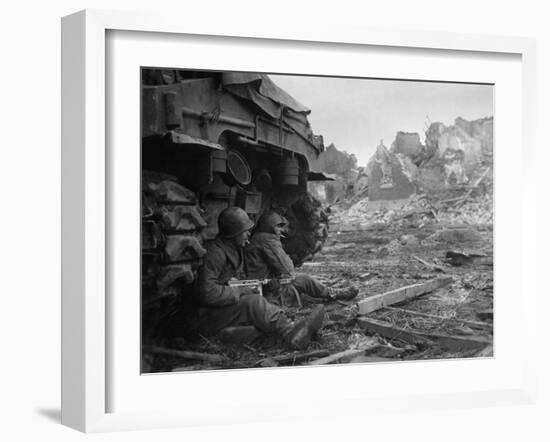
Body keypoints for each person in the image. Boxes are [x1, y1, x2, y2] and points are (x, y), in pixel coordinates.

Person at [164, 206, 325, 350]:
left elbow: (240, 279)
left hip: (221, 309)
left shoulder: (235, 249)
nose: (249, 233)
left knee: (261, 303)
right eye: (245, 230)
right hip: (204, 315)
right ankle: (291, 333)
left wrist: (267, 284)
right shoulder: (215, 253)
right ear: (233, 233)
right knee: (253, 303)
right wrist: (239, 291)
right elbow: (206, 292)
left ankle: (253, 331)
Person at [245, 211, 358, 305]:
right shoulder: (267, 240)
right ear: (269, 227)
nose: (281, 230)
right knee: (304, 281)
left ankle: (331, 293)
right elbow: (287, 269)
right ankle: (334, 294)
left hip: (265, 288)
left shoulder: (259, 238)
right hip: (267, 293)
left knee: (304, 281)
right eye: (277, 227)